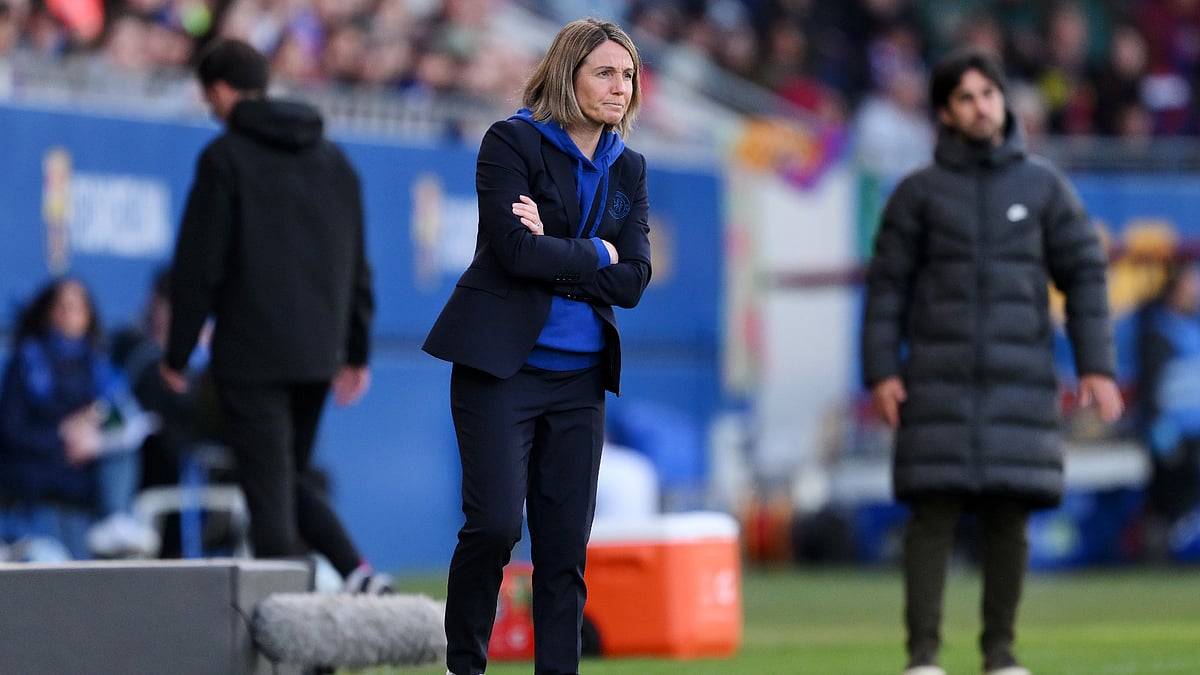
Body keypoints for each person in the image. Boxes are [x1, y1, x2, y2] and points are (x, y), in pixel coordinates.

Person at [860, 48, 1124, 675]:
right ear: (945, 114)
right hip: (936, 380)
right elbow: (887, 289)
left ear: (1003, 101)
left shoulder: (1044, 187)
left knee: (1012, 512)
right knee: (932, 512)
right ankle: (923, 658)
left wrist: (1097, 366)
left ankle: (1000, 655)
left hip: (1020, 379)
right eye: (966, 98)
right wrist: (882, 371)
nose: (981, 107)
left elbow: (1086, 275)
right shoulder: (917, 194)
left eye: (989, 94)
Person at [422, 17, 652, 675]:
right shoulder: (510, 141)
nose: (619, 87)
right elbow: (516, 252)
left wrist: (558, 246)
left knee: (563, 552)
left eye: (628, 75)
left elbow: (634, 279)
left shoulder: (629, 166)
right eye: (605, 73)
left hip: (581, 379)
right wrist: (597, 251)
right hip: (502, 370)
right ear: (567, 75)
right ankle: (463, 666)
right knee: (494, 526)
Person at [160, 38, 389, 593]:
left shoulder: (224, 158)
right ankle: (359, 576)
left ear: (219, 91)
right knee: (284, 479)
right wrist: (356, 351)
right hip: (318, 353)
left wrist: (177, 352)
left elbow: (198, 266)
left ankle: (288, 620)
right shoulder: (335, 161)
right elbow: (357, 266)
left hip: (250, 353)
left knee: (270, 497)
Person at [0, 277, 160, 559]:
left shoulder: (98, 367)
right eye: (61, 305)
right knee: (48, 559)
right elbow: (11, 430)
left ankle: (115, 519)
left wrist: (92, 427)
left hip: (86, 479)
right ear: (47, 312)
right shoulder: (25, 362)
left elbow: (120, 415)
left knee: (122, 442)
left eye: (77, 307)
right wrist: (62, 437)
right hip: (38, 476)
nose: (68, 313)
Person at [1135, 263, 1200, 539]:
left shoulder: (1192, 327)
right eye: (1190, 283)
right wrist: (1158, 427)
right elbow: (1150, 387)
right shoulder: (1157, 330)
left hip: (1195, 433)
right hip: (1174, 435)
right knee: (1170, 504)